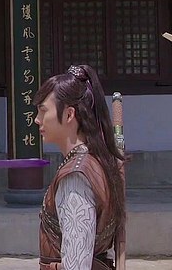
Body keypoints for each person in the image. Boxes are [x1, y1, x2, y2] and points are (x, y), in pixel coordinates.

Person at [33, 65, 126, 270]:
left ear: (69, 115)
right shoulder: (97, 162)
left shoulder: (76, 176)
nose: (37, 119)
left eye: (43, 110)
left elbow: (76, 265)